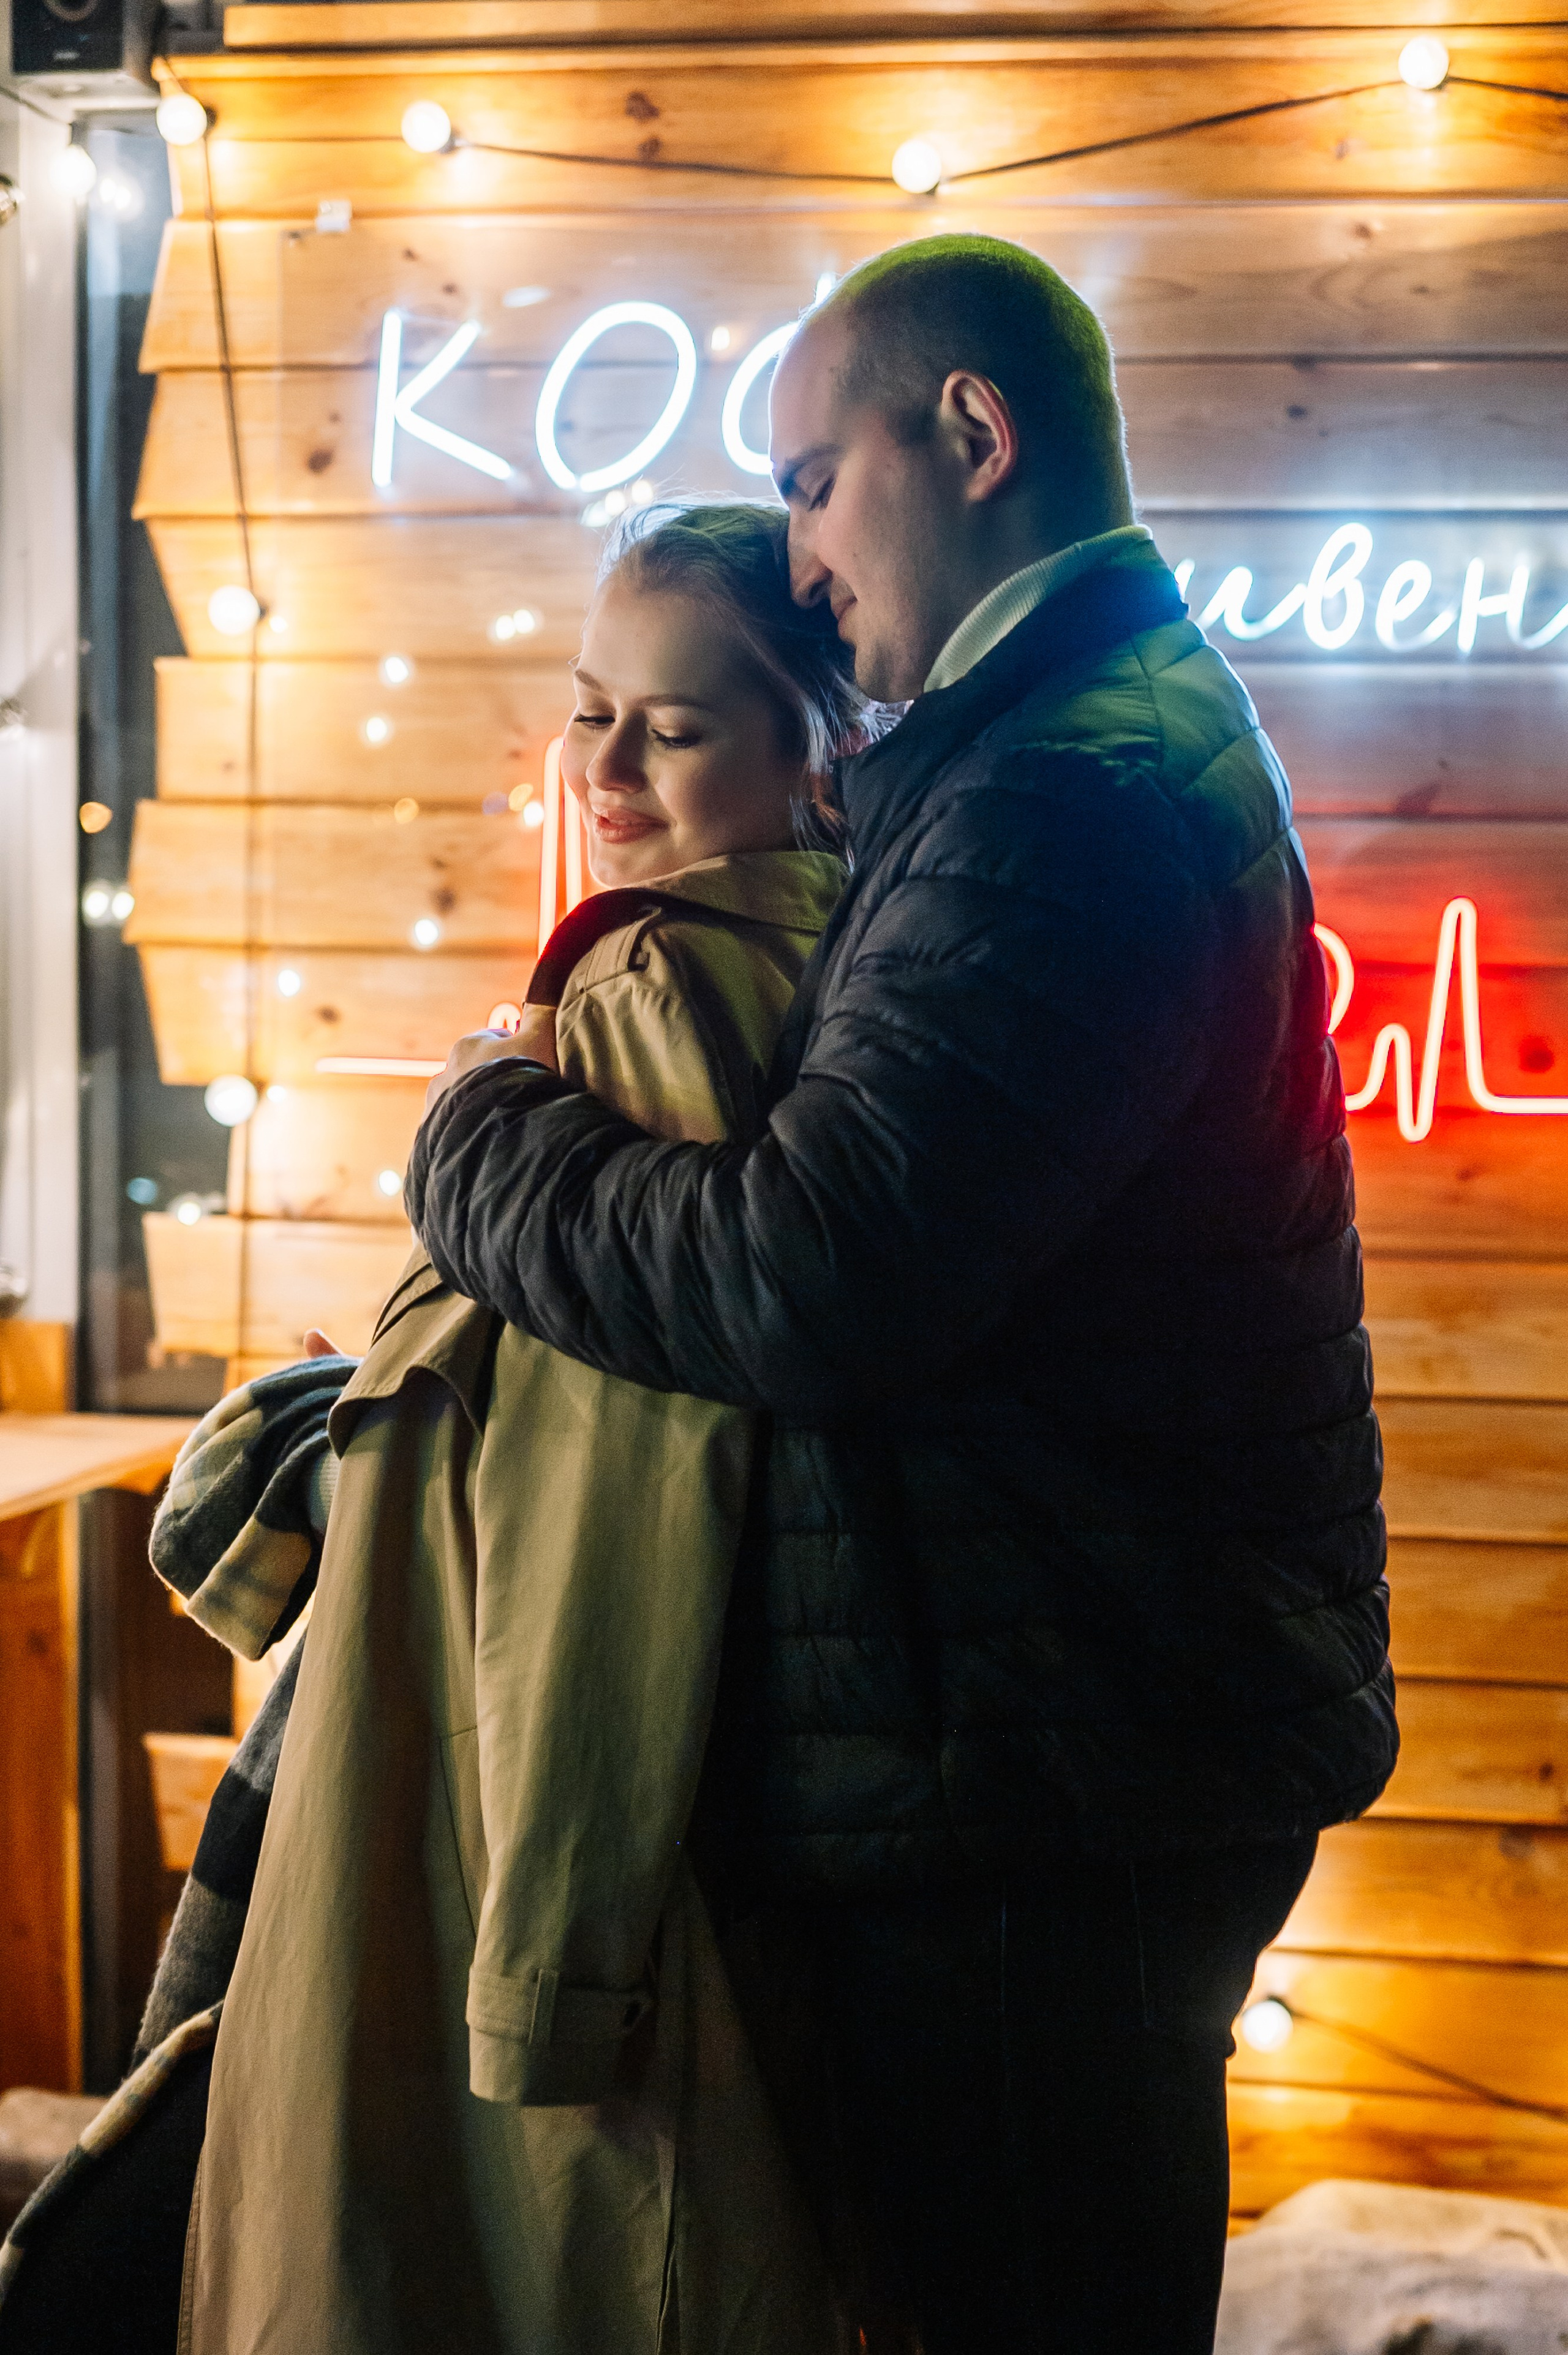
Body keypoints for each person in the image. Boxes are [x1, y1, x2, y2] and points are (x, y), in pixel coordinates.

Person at [409, 234, 1398, 2355]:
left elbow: (812, 1274)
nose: (798, 549)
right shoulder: (1029, 743)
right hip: (1055, 1738)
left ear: (970, 432)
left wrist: (482, 1124)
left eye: (810, 479)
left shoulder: (1069, 789)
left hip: (1055, 1774)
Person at [173, 503, 873, 2355]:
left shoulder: (667, 995)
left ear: (819, 749)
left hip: (502, 1775)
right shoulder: (768, 976)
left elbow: (623, 1503)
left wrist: (556, 1946)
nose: (612, 766)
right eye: (590, 711)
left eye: (678, 724)